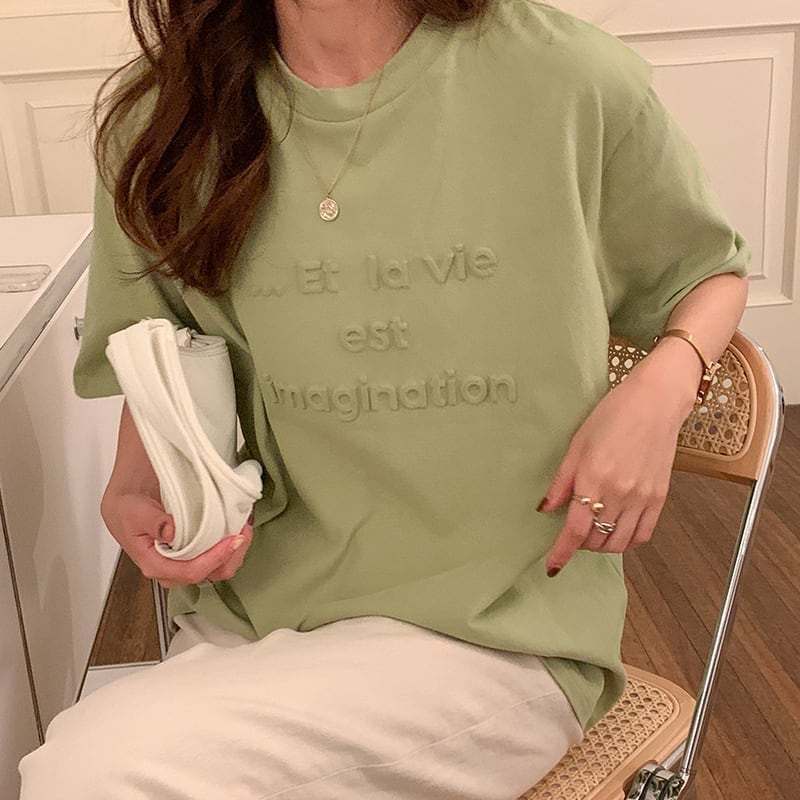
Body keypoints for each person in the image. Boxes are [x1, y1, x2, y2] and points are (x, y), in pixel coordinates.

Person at [19, 0, 750, 798]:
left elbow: (706, 273)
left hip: (498, 633)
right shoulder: (168, 120)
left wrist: (660, 388)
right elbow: (163, 350)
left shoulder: (571, 80)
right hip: (256, 624)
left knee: (88, 772)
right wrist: (135, 486)